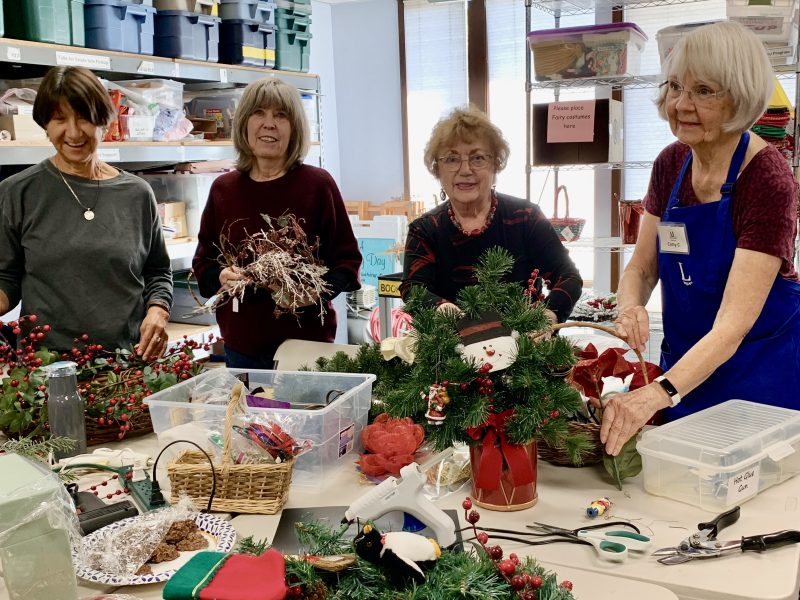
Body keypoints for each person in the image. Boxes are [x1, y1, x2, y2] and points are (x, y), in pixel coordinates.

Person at [601, 21, 800, 456]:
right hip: (688, 371)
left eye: (703, 91)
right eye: (675, 87)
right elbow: (642, 267)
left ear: (740, 96)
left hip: (760, 376)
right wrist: (630, 306)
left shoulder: (767, 178)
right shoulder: (671, 163)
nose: (681, 104)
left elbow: (732, 326)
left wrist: (657, 393)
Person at [0, 66, 172, 360]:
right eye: (59, 119)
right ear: (45, 124)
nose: (74, 132)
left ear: (104, 121)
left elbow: (157, 271)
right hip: (47, 368)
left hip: (126, 361)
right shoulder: (18, 192)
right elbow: (6, 278)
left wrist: (158, 310)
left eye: (84, 118)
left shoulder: (137, 194)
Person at [192, 78, 361, 369]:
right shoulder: (224, 189)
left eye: (281, 115)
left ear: (294, 128)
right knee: (250, 414)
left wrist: (313, 292)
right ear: (244, 123)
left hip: (305, 348)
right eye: (259, 113)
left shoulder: (317, 185)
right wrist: (221, 277)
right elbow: (203, 264)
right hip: (241, 348)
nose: (269, 124)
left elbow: (347, 263)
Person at [401, 105, 582, 324]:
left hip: (523, 346)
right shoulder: (425, 229)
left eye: (477, 158)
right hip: (451, 347)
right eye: (451, 159)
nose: (465, 170)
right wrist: (448, 314)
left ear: (495, 165)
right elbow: (413, 289)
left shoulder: (525, 217)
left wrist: (547, 314)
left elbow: (568, 276)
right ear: (437, 170)